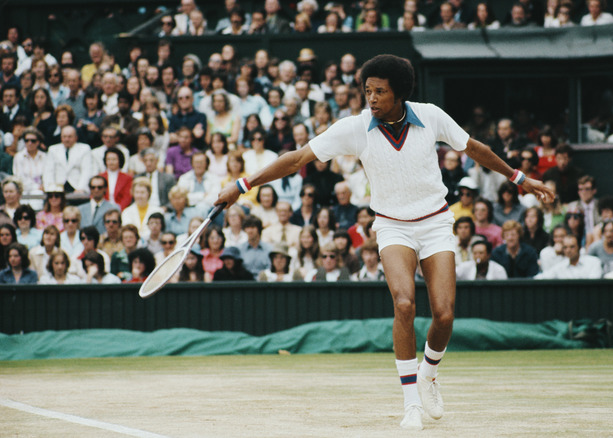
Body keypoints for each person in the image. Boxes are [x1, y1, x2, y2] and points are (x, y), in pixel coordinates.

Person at [213, 54, 553, 430]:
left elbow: (475, 149)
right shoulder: (354, 128)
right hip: (392, 226)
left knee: (444, 315)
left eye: (379, 92)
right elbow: (296, 159)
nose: (371, 98)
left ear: (400, 94)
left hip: (436, 222)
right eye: (367, 90)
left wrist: (522, 179)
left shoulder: (431, 116)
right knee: (404, 304)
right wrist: (241, 185)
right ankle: (411, 403)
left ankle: (428, 374)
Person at [42, 125, 93, 194]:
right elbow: (48, 171)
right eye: (64, 137)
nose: (67, 139)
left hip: (77, 187)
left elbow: (86, 170)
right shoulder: (53, 149)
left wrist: (81, 188)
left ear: (76, 137)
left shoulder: (85, 148)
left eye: (70, 136)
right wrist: (50, 188)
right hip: (57, 188)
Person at [536, 234, 602, 279]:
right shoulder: (561, 266)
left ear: (579, 248)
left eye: (572, 247)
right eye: (565, 247)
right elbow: (542, 277)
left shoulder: (594, 262)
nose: (568, 250)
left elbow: (594, 283)